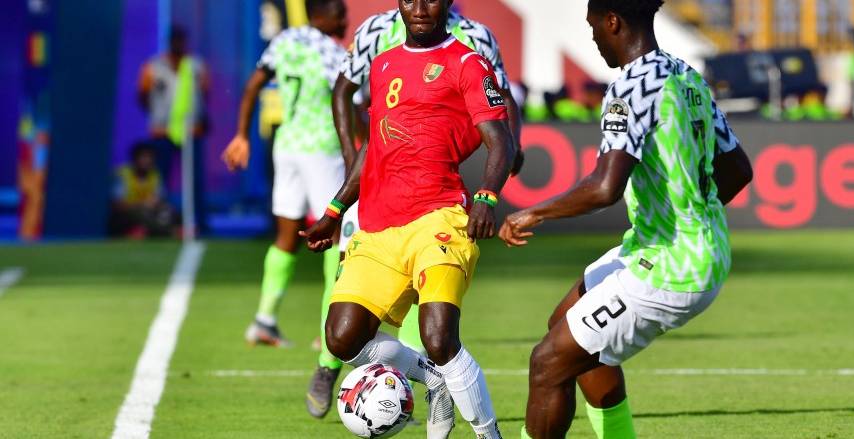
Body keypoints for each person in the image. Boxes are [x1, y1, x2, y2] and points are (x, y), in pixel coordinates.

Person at [497, 1, 753, 438]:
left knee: (547, 363)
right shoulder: (686, 76)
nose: (594, 38)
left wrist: (532, 212)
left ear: (612, 22)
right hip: (685, 247)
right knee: (566, 326)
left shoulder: (631, 87)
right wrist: (690, 219)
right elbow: (738, 170)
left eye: (593, 27)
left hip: (673, 265)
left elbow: (604, 187)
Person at [301, 0, 515, 436]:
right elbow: (373, 147)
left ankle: (488, 434)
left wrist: (487, 197)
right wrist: (335, 210)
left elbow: (502, 140)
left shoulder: (468, 63)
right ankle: (434, 381)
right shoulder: (383, 64)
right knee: (342, 339)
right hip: (378, 225)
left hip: (439, 217)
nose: (419, 8)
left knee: (439, 338)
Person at [221, 0, 349, 348]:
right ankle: (330, 332)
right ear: (320, 14)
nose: (345, 20)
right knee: (336, 238)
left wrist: (242, 135)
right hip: (322, 150)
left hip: (287, 146)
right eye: (340, 13)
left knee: (286, 237)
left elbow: (253, 85)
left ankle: (264, 320)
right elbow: (351, 103)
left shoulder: (285, 41)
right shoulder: (331, 52)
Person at [137, 25, 210, 234]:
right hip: (163, 131)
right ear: (169, 42)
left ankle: (199, 222)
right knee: (161, 179)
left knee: (194, 180)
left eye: (181, 40)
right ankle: (163, 222)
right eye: (174, 40)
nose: (178, 44)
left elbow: (205, 93)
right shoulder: (153, 66)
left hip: (191, 130)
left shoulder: (195, 65)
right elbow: (142, 95)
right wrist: (157, 114)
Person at [109, 142, 177, 238]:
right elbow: (117, 204)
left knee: (167, 210)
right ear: (135, 159)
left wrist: (155, 203)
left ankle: (145, 231)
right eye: (143, 157)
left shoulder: (155, 175)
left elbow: (160, 198)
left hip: (149, 212)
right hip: (128, 215)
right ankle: (171, 232)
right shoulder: (123, 174)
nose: (146, 161)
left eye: (149, 158)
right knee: (140, 214)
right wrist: (141, 205)